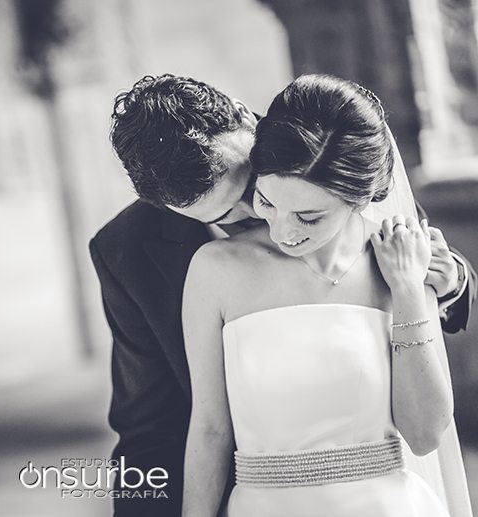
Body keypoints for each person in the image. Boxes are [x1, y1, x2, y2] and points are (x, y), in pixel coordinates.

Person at [89, 74, 475, 516]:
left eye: (249, 185)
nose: (264, 216)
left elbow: (411, 241)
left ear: (242, 117)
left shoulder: (325, 141)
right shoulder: (130, 251)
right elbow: (150, 425)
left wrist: (445, 281)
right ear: (169, 209)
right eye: (226, 217)